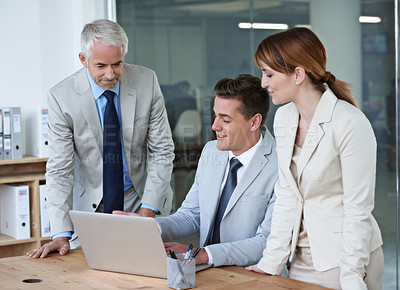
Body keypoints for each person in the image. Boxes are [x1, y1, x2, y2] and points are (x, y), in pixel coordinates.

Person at [245, 27, 383, 290]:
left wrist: (352, 276)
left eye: (269, 74)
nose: (263, 83)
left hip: (342, 259)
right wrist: (270, 261)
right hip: (298, 259)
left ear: (298, 74)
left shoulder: (349, 123)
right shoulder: (284, 118)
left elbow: (358, 208)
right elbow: (287, 193)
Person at [27, 19, 174, 258]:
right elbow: (60, 170)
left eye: (117, 64)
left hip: (142, 198)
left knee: (147, 269)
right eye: (101, 65)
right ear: (83, 60)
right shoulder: (62, 97)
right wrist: (61, 234)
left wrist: (148, 211)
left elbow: (162, 151)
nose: (110, 74)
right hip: (92, 205)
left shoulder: (147, 81)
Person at [117, 74, 278, 266]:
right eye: (215, 115)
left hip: (253, 276)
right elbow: (191, 216)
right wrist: (150, 227)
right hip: (206, 272)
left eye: (225, 119)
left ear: (254, 122)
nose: (214, 126)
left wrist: (203, 254)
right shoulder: (211, 152)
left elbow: (268, 241)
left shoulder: (281, 163)